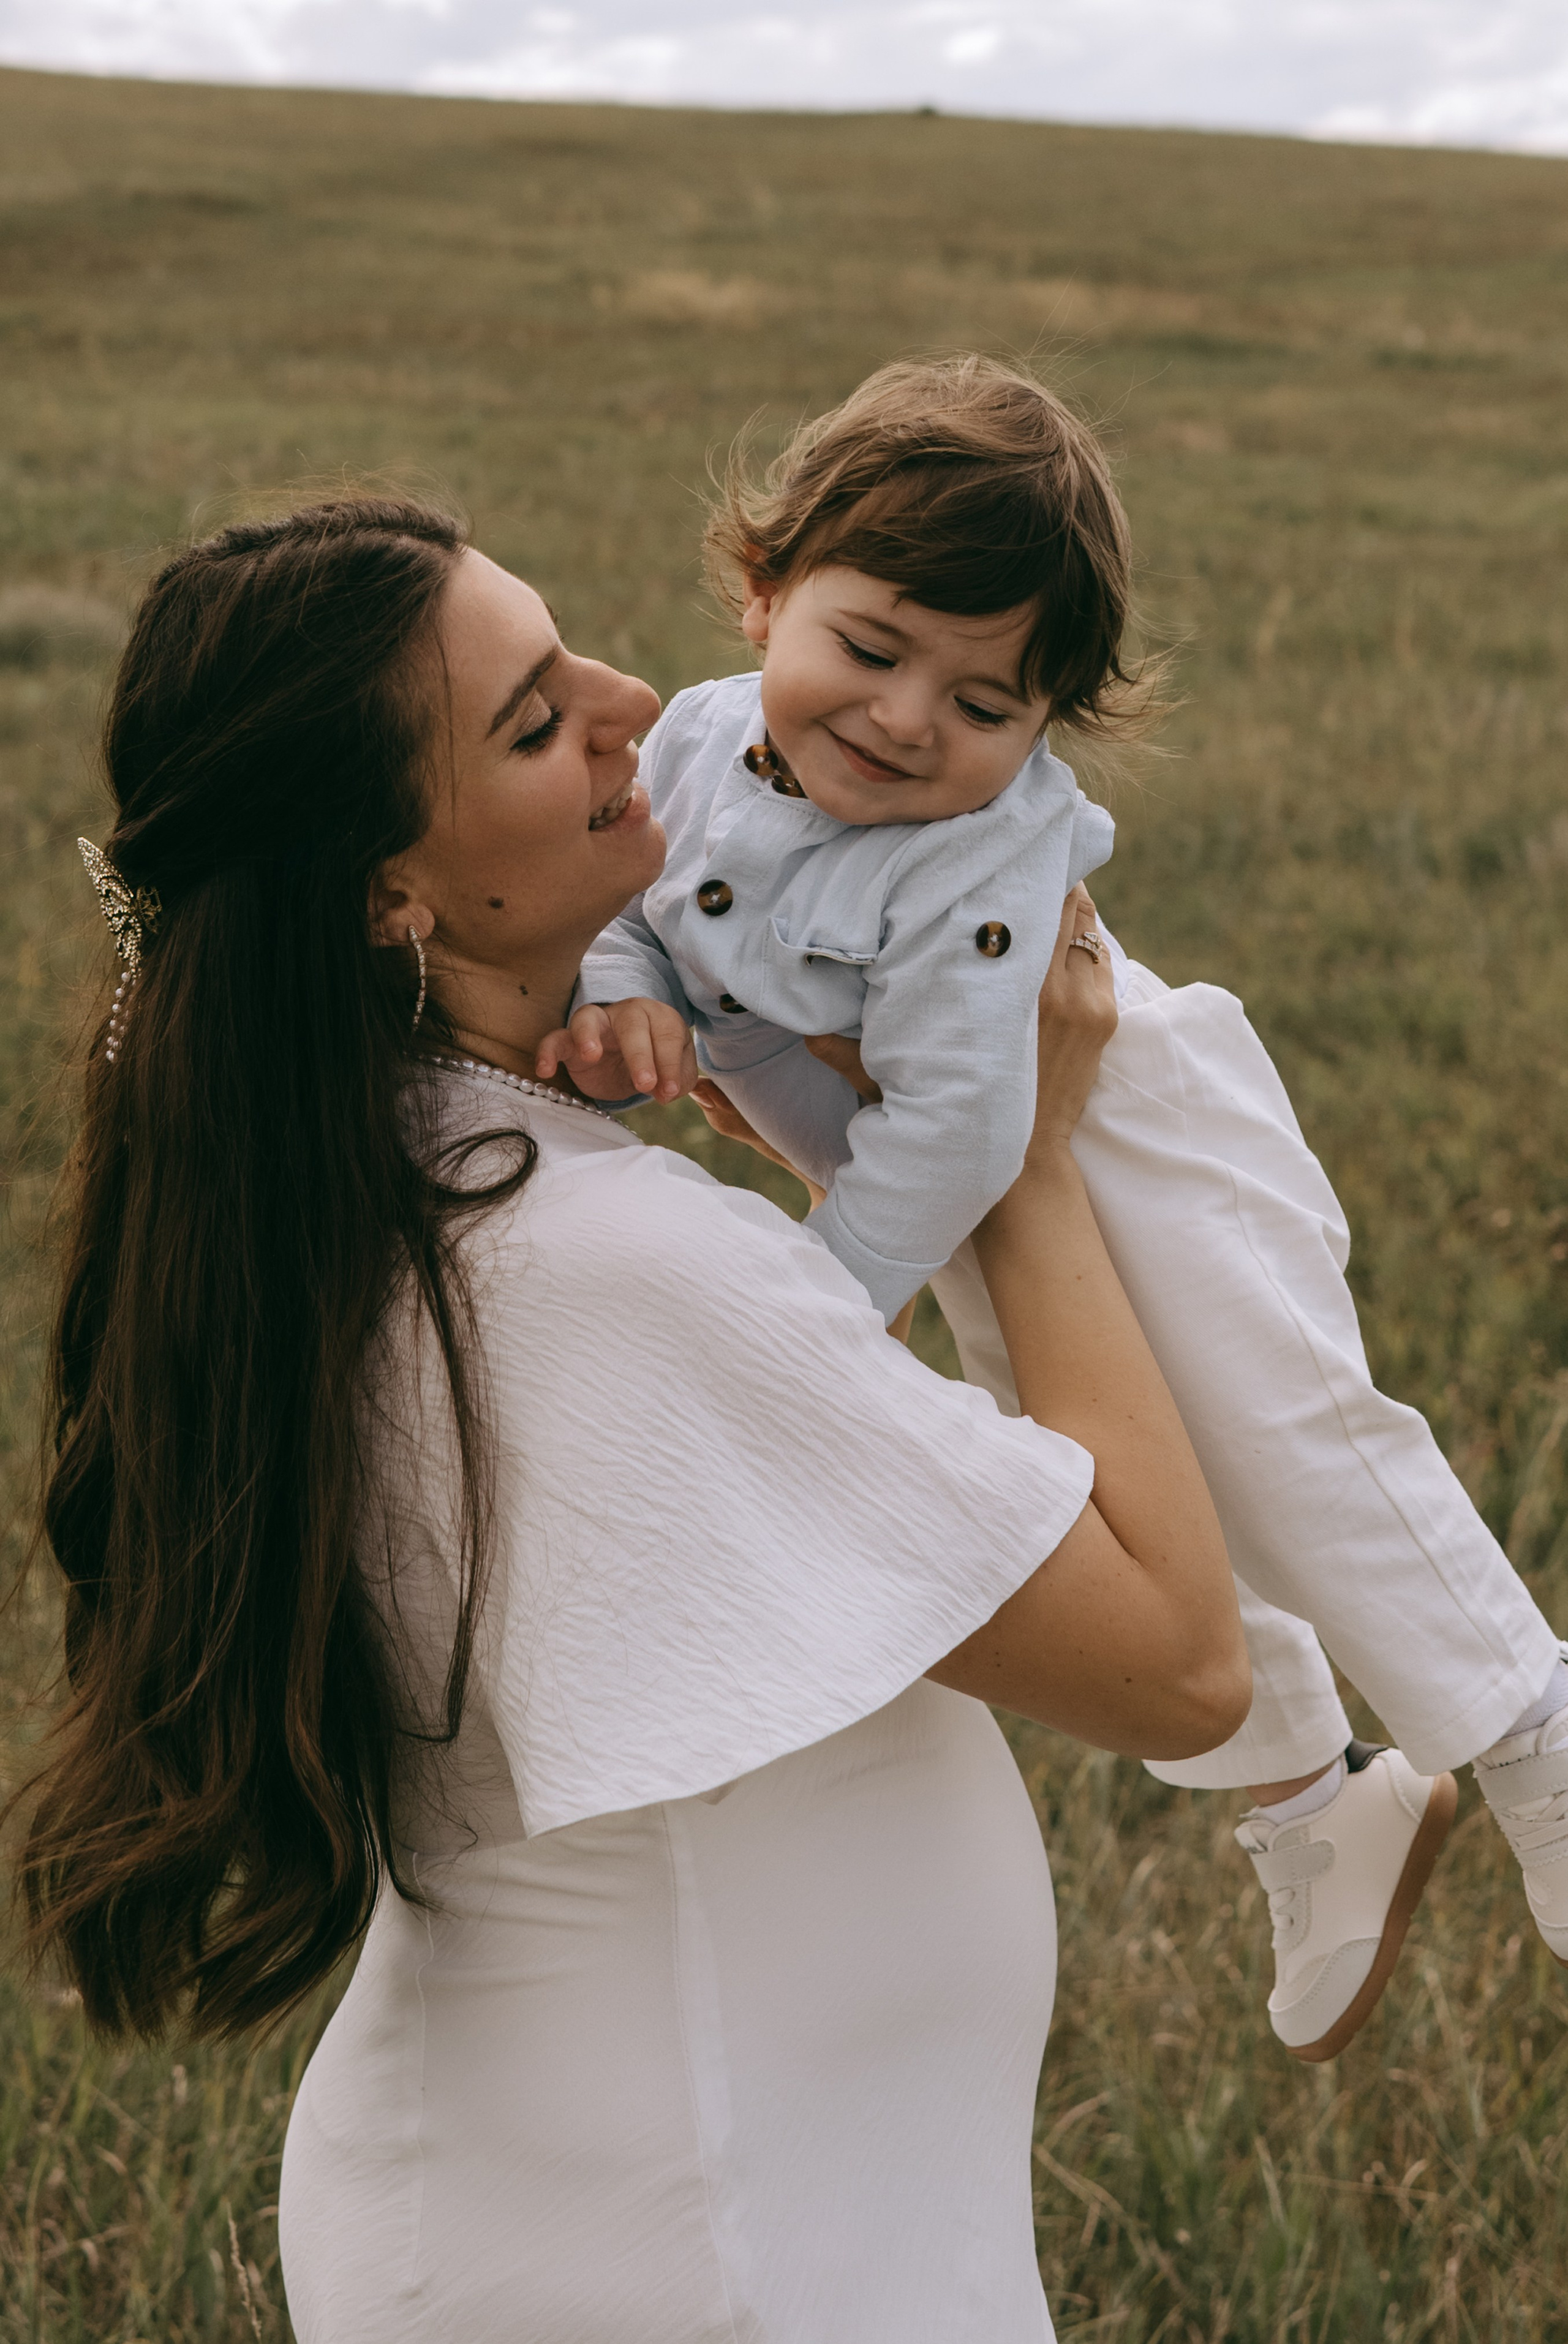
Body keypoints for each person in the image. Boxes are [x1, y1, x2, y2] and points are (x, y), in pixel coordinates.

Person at [17, 496, 1249, 2343]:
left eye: (569, 654)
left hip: (685, 2185)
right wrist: (1022, 1161)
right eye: (533, 723)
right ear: (391, 891)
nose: (628, 706)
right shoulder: (597, 1260)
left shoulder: (362, 1176)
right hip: (694, 2224)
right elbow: (1181, 1661)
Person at [544, 353, 1568, 2059]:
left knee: (1282, 1435)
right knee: (1094, 1468)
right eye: (873, 650)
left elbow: (968, 1119)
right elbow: (639, 909)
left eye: (983, 702)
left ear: (1044, 730)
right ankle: (1313, 1798)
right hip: (925, 1177)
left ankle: (1532, 1722)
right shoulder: (698, 739)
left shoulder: (977, 853)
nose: (906, 721)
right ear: (766, 589)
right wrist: (620, 986)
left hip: (1117, 1128)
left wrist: (827, 1301)